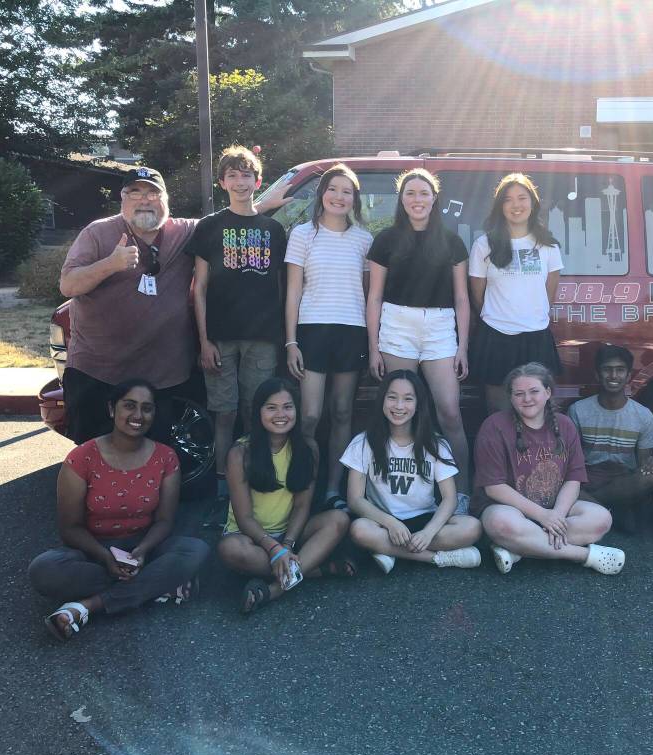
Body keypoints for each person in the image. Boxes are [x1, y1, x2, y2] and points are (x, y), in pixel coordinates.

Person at [29, 379, 209, 641]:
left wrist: (142, 552)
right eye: (129, 406)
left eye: (147, 408)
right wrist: (105, 558)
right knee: (43, 570)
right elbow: (70, 528)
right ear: (112, 409)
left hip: (144, 548)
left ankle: (85, 607)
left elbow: (164, 521)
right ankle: (158, 586)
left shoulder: (166, 457)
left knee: (196, 550)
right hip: (94, 550)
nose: (138, 415)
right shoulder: (81, 458)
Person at [58, 167, 200, 445]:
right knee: (94, 456)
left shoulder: (184, 231)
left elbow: (225, 221)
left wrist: (263, 203)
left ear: (166, 200)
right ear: (122, 199)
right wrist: (111, 264)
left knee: (156, 455)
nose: (144, 200)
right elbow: (68, 285)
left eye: (152, 193)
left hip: (163, 376)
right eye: (134, 193)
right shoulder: (97, 233)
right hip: (99, 372)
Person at [365, 169, 472, 514]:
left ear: (434, 198)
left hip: (441, 326)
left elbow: (462, 299)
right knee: (399, 413)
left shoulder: (452, 241)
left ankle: (463, 494)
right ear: (402, 199)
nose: (417, 200)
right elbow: (375, 297)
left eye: (424, 193)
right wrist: (373, 348)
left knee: (450, 414)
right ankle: (395, 498)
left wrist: (462, 347)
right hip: (396, 326)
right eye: (410, 193)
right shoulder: (385, 240)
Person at [190, 145, 288, 520]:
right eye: (232, 174)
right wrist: (203, 340)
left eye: (246, 174)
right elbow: (198, 288)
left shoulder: (274, 230)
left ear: (257, 181)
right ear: (222, 182)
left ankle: (254, 481)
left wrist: (281, 334)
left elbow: (280, 286)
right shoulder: (209, 227)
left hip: (262, 336)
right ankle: (221, 489)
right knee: (225, 413)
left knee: (254, 412)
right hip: (221, 337)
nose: (240, 180)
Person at [476, 363, 625, 575]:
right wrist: (543, 516)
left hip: (555, 506)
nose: (527, 399)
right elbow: (494, 488)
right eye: (519, 393)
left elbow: (573, 479)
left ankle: (520, 548)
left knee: (601, 519)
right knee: (500, 523)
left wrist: (557, 515)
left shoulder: (565, 425)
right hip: (510, 509)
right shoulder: (494, 426)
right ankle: (584, 556)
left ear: (548, 392)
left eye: (534, 391)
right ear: (510, 398)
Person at [217, 378, 351, 613]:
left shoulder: (308, 448)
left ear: (297, 410)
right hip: (251, 537)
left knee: (338, 520)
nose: (281, 414)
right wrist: (274, 549)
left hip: (290, 534)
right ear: (258, 411)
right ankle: (314, 569)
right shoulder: (240, 453)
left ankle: (273, 590)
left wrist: (287, 544)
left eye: (288, 407)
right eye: (271, 407)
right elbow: (244, 517)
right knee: (230, 550)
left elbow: (302, 506)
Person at [285, 164, 374, 511]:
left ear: (355, 199)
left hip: (351, 332)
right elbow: (293, 291)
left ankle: (333, 490)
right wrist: (291, 342)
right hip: (312, 331)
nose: (339, 196)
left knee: (341, 413)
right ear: (322, 194)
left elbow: (369, 295)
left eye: (347, 191)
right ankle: (305, 488)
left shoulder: (364, 239)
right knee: (309, 416)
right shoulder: (303, 234)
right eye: (333, 189)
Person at [342, 370, 482, 573]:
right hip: (383, 521)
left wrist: (428, 532)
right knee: (359, 530)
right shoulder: (364, 443)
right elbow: (355, 500)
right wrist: (390, 523)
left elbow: (449, 499)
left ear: (418, 406)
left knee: (472, 527)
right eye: (392, 397)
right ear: (382, 400)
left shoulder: (435, 444)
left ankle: (388, 551)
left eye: (408, 399)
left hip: (424, 518)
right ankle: (438, 559)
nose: (399, 406)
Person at [469, 172, 563, 412]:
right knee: (498, 413)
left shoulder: (548, 246)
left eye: (522, 198)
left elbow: (549, 292)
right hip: (496, 337)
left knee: (537, 413)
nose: (516, 205)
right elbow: (477, 295)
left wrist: (529, 315)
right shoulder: (484, 245)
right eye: (508, 199)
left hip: (536, 337)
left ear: (533, 203)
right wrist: (501, 316)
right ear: (500, 206)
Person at [566, 344, 653, 532]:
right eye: (607, 370)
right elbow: (571, 460)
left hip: (623, 478)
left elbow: (643, 464)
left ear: (628, 376)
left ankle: (597, 506)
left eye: (620, 370)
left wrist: (651, 465)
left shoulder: (643, 415)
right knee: (557, 479)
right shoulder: (578, 410)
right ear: (597, 375)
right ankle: (612, 512)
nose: (613, 376)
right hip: (587, 475)